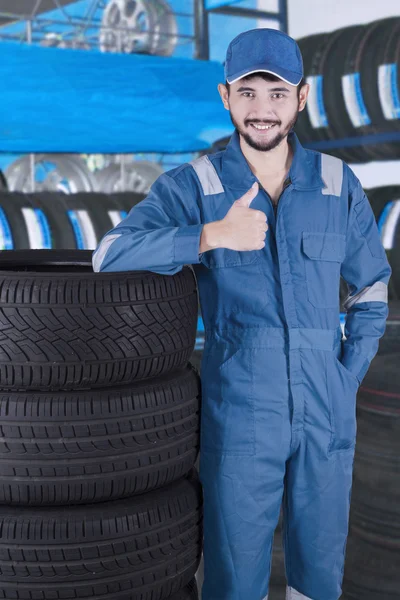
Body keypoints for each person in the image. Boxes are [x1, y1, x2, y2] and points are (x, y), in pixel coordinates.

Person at [92, 27, 391, 600]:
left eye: (277, 94)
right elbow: (110, 254)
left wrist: (346, 375)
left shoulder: (336, 183)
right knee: (235, 580)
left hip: (327, 408)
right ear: (225, 97)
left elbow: (372, 285)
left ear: (301, 98)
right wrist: (209, 234)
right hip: (241, 412)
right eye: (248, 93)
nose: (262, 110)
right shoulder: (194, 186)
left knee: (320, 576)